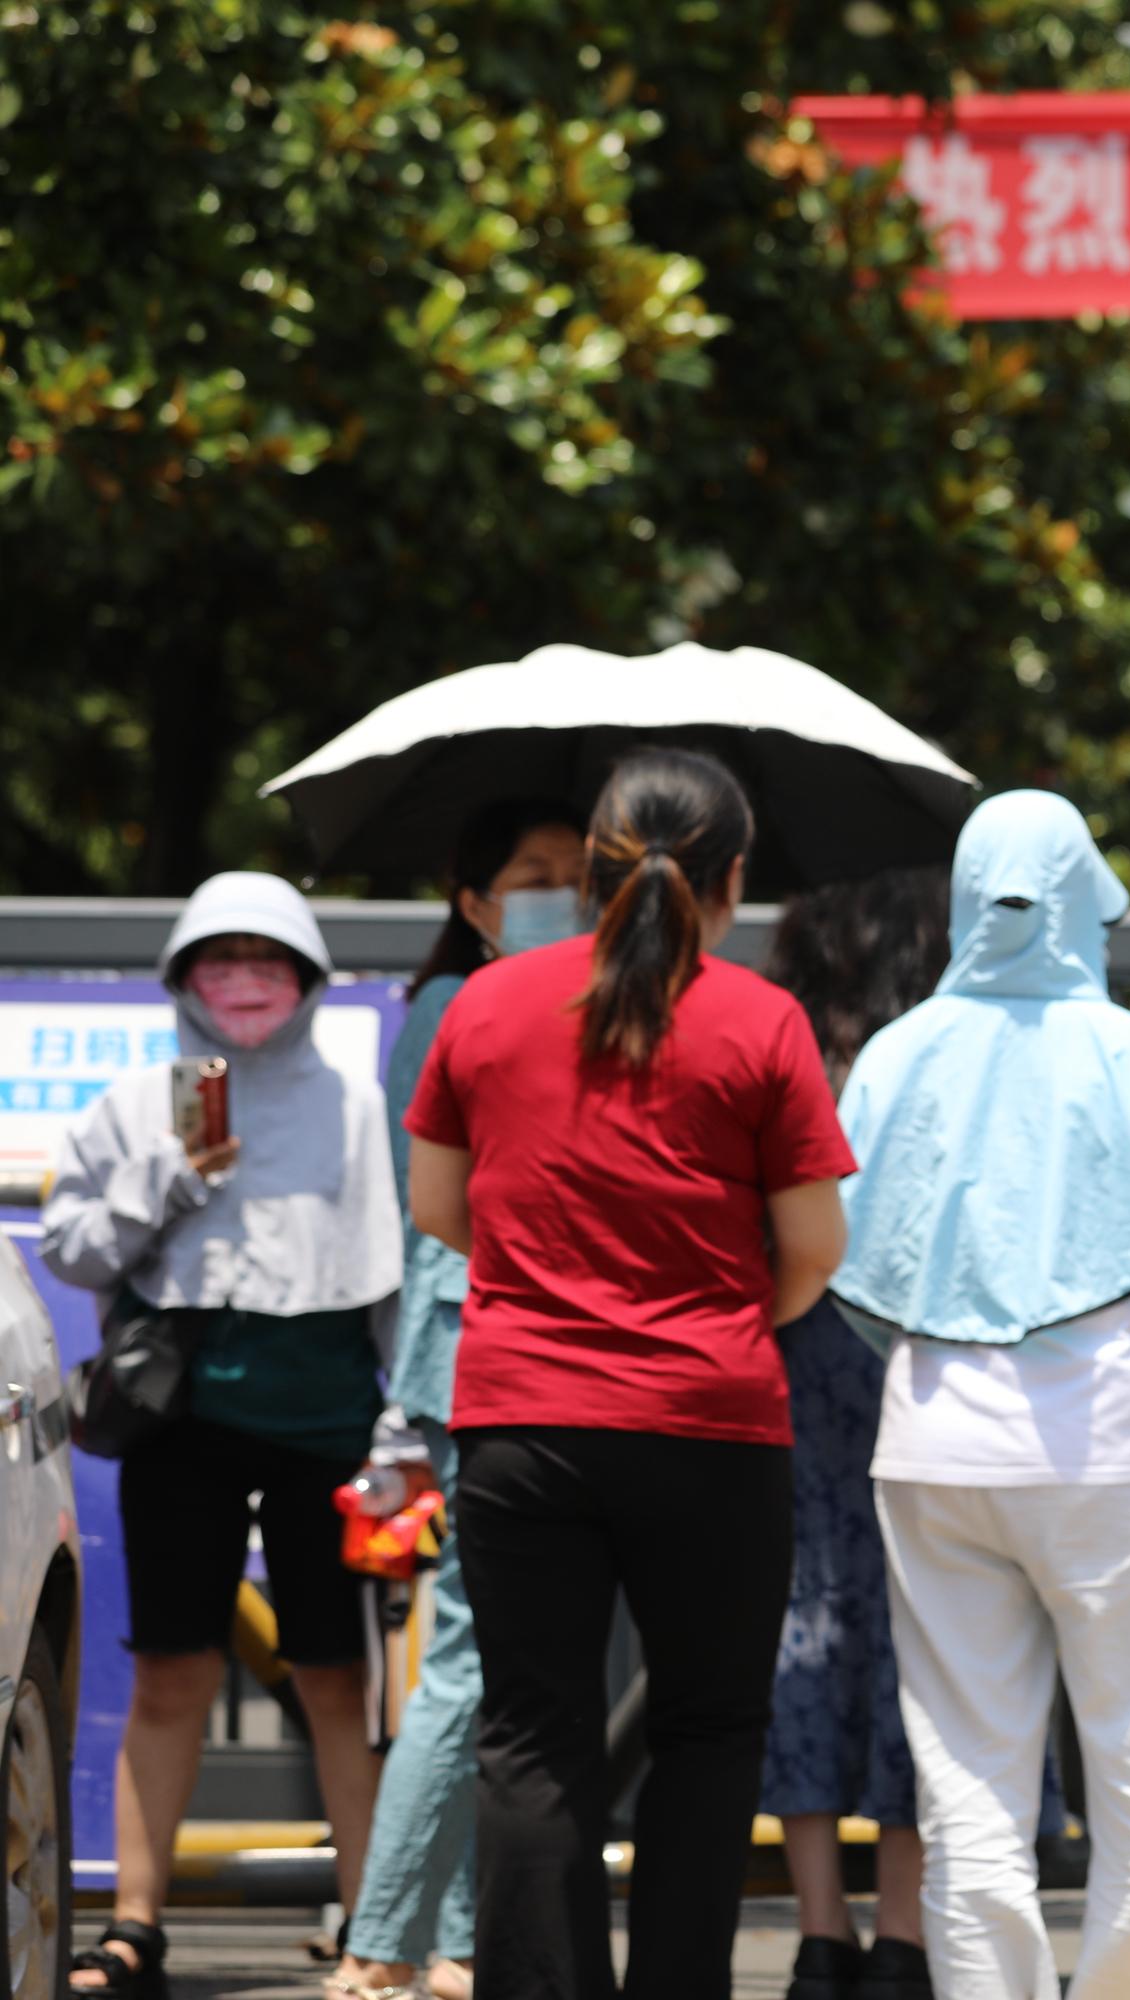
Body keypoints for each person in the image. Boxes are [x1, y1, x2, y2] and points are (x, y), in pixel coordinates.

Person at [404, 748, 855, 2000]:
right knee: (707, 1733)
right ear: (733, 878)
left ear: (592, 871)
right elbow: (816, 1244)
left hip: (521, 1417)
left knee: (530, 1736)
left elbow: (437, 1204)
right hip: (711, 1420)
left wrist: (553, 1278)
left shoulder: (487, 1003)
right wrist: (721, 1309)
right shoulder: (761, 1018)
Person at [834, 791, 1130, 2000]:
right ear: (1081, 908)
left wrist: (934, 1345)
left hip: (932, 1436)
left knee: (967, 1792)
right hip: (1108, 1436)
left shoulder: (896, 1052)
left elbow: (847, 1258)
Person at [42, 873, 405, 1998]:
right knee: (171, 1673)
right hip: (184, 1423)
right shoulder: (137, 1099)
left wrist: (403, 1421)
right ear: (184, 978)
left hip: (332, 1426)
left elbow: (396, 1270)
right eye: (220, 959)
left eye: (268, 959)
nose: (244, 981)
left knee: (340, 1681)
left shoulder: (357, 1103)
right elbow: (70, 1248)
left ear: (307, 977)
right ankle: (134, 1927)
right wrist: (165, 1177)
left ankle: (373, 1928)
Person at [333, 798, 587, 2000]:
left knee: (501, 1653)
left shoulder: (518, 1000)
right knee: (476, 1652)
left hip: (492, 1352)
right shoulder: (453, 1005)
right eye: (535, 875)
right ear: (474, 898)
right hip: (474, 1352)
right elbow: (431, 1194)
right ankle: (383, 1938)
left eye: (581, 873)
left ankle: (455, 1937)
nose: (563, 894)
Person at [760, 869, 949, 2000]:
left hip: (799, 1344)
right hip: (924, 1353)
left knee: (806, 1619)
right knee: (922, 1626)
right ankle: (904, 1934)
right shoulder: (937, 1054)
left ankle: (819, 1932)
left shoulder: (788, 1049)